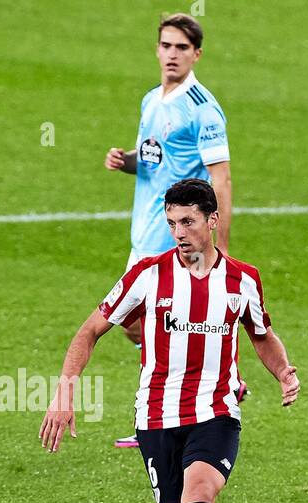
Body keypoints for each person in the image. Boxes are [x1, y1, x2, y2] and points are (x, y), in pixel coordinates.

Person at [39, 179, 299, 503]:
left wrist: (283, 371)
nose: (179, 232)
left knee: (201, 495)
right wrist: (64, 391)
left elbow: (261, 334)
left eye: (189, 222)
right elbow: (89, 330)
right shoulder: (147, 274)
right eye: (172, 221)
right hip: (155, 420)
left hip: (215, 415)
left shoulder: (242, 280)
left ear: (212, 220)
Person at [104, 13, 245, 449]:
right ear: (157, 48)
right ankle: (221, 386)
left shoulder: (202, 107)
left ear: (196, 54)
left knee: (145, 321)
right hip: (144, 231)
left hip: (175, 233)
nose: (172, 54)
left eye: (182, 48)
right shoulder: (152, 100)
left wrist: (218, 241)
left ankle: (171, 412)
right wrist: (125, 160)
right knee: (138, 325)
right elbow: (155, 158)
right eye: (166, 45)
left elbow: (220, 177)